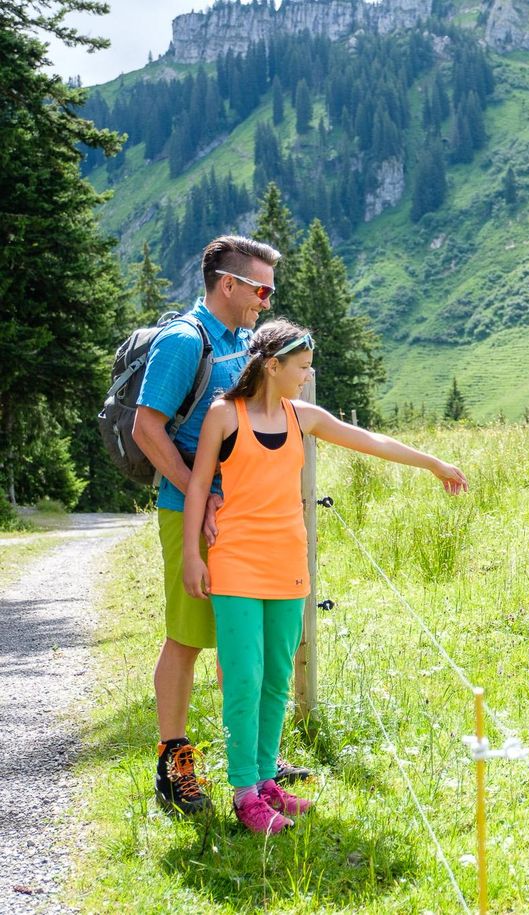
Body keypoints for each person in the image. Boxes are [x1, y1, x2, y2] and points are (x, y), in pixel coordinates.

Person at [182, 319, 467, 833]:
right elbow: (199, 486)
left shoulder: (304, 416)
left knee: (277, 677)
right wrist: (191, 556)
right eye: (302, 367)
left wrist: (434, 464)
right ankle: (244, 794)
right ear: (272, 366)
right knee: (243, 677)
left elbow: (371, 440)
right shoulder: (225, 415)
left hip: (288, 563)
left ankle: (266, 782)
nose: (307, 376)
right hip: (235, 561)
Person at [134, 235, 313, 816]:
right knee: (188, 635)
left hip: (242, 516)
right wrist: (200, 494)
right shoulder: (186, 341)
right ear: (228, 284)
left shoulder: (243, 343)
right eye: (260, 290)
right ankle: (175, 762)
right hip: (189, 509)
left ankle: (255, 761)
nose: (267, 301)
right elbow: (146, 428)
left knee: (243, 642)